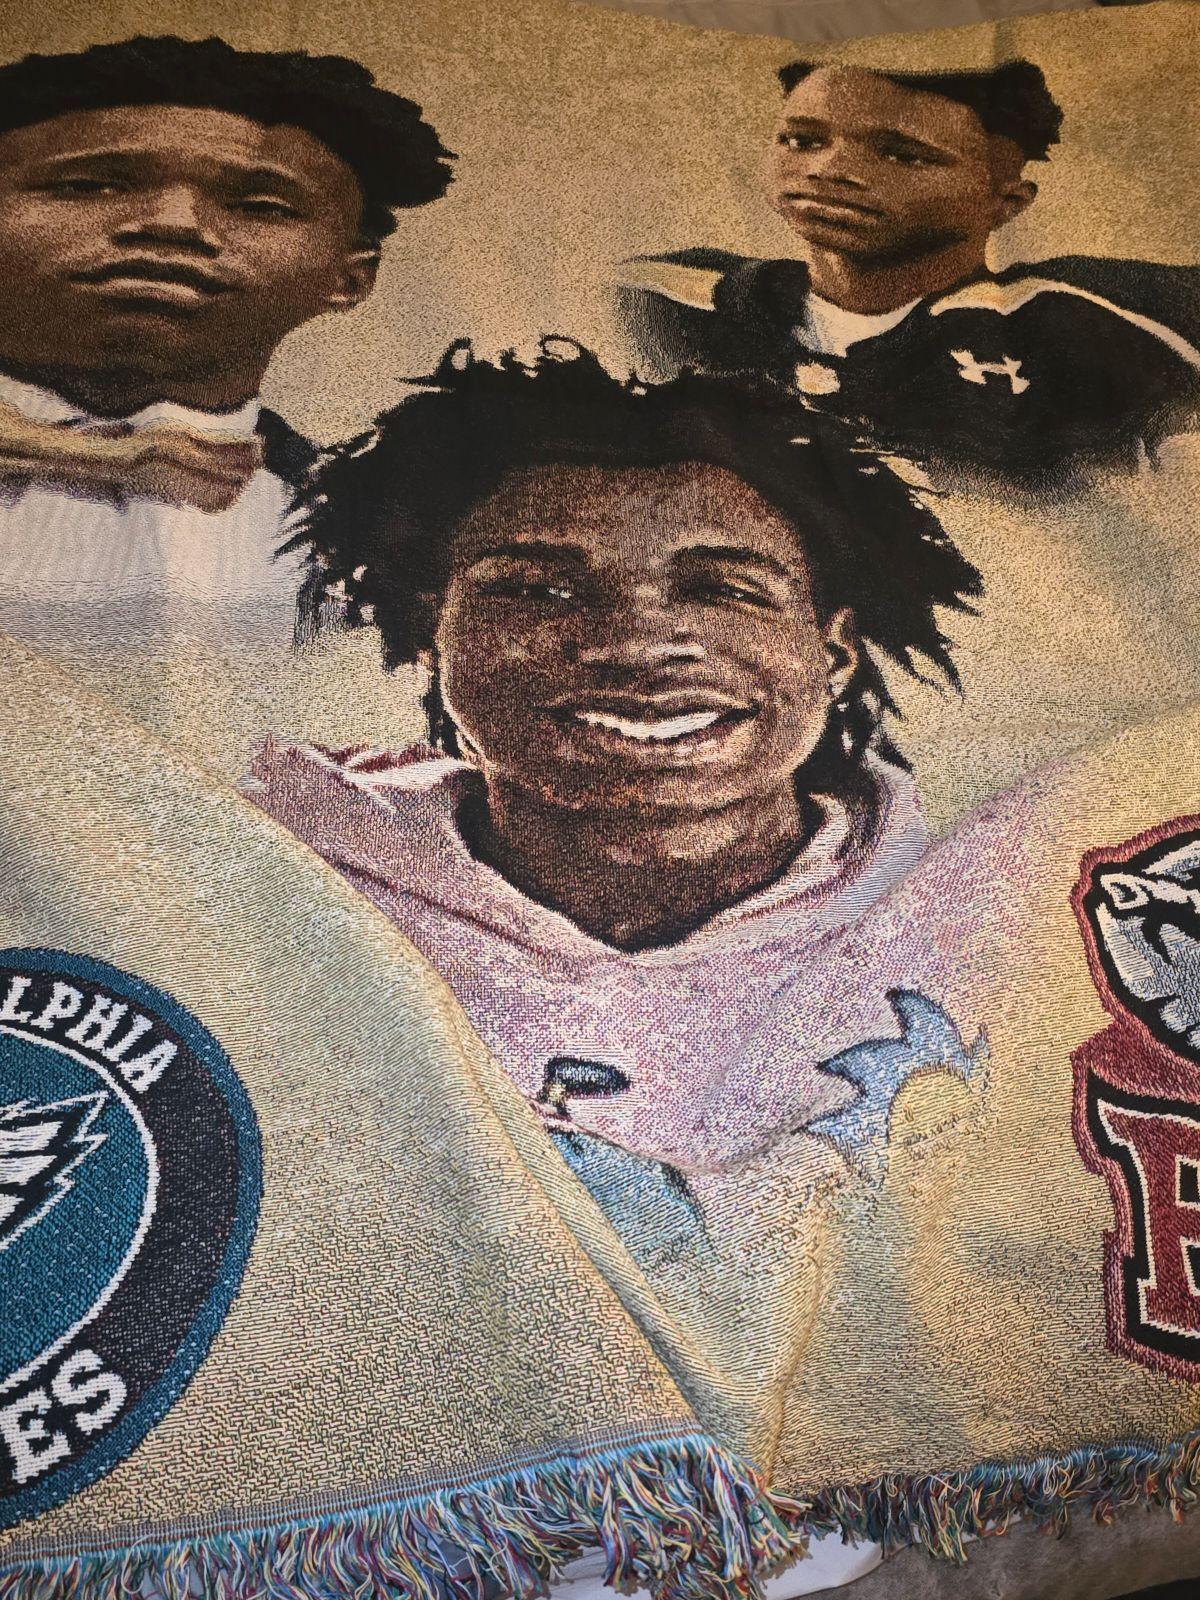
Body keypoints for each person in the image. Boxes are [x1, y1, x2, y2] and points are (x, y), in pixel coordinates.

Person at [246, 339, 983, 1173]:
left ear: (833, 650)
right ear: (428, 631)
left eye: (723, 589)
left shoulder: (979, 916)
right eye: (539, 589)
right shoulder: (271, 865)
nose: (636, 646)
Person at [0, 33, 453, 650]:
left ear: (350, 278)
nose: (173, 224)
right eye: (88, 186)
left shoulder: (375, 534)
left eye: (261, 205)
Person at [616, 59, 1200, 487]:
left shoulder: (1088, 320)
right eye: (802, 139)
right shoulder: (665, 297)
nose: (829, 169)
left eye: (901, 154)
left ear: (1005, 201)